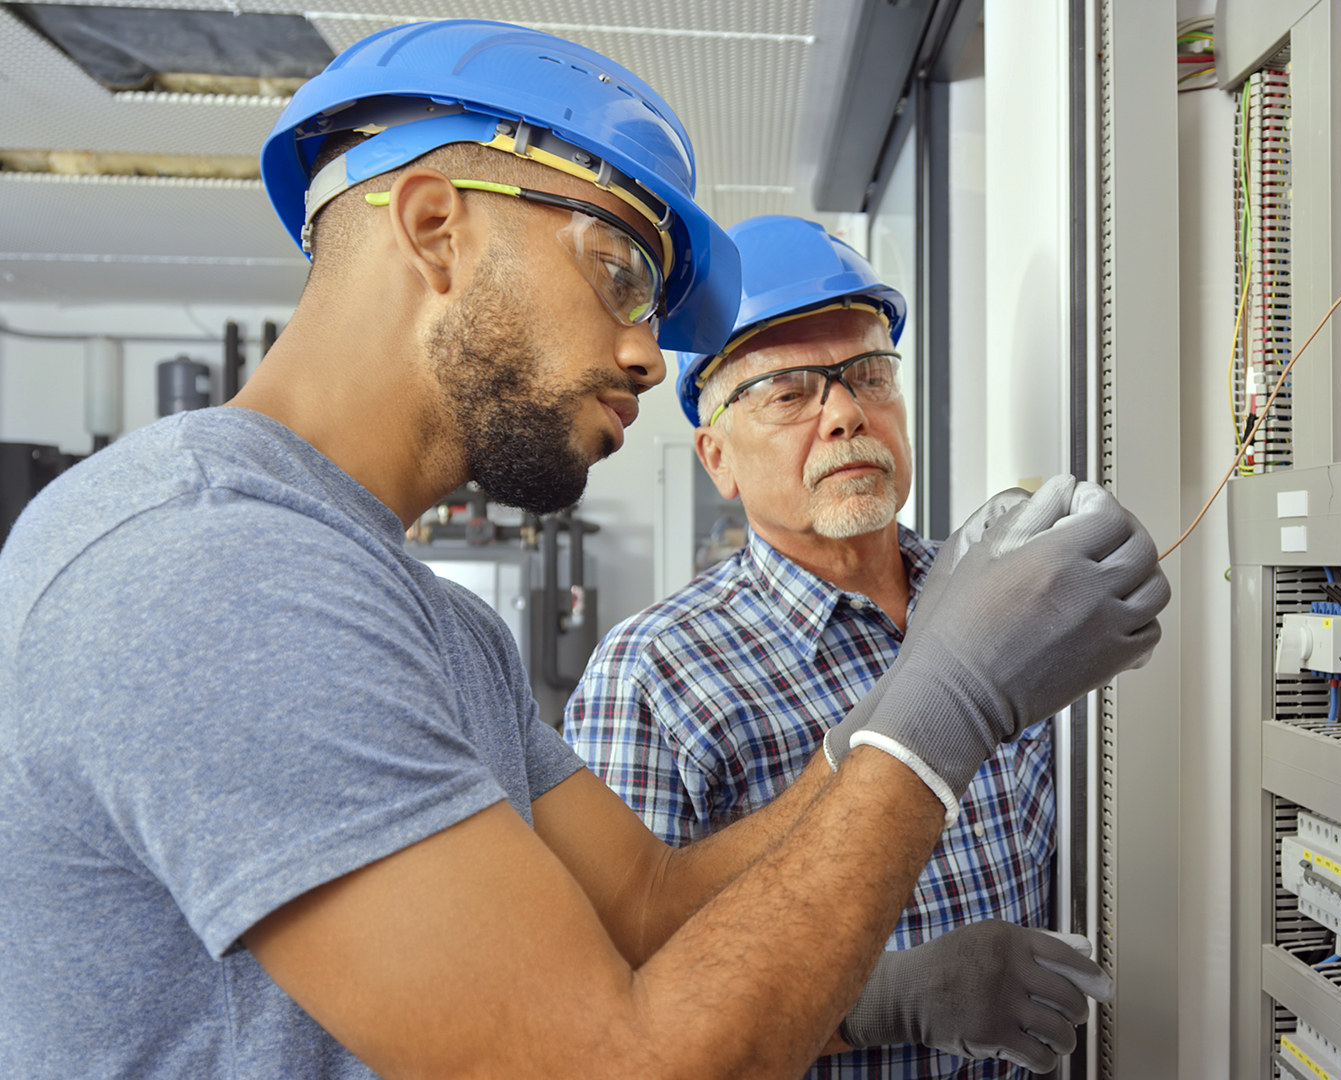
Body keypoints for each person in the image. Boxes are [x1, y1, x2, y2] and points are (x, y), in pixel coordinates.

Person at [0, 21, 1170, 1080]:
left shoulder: (435, 621)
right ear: (433, 226)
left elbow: (647, 904)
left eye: (866, 377)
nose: (648, 358)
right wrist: (942, 710)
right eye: (620, 272)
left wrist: (919, 687)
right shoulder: (209, 566)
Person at [567, 214, 1057, 1080]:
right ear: (717, 456)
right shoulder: (653, 677)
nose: (843, 413)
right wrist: (885, 1000)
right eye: (790, 393)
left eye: (868, 374)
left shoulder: (1002, 598)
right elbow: (618, 997)